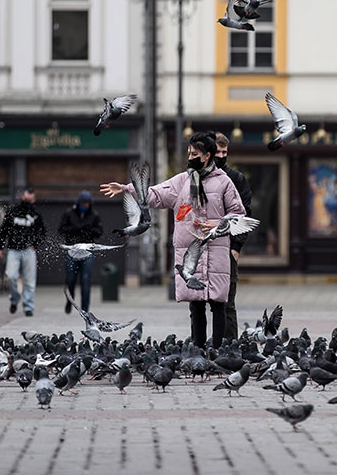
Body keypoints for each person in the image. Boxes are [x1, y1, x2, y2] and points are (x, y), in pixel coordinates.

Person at [101, 132, 245, 348]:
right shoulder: (182, 181)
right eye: (189, 153)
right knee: (196, 305)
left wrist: (217, 224)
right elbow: (155, 194)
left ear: (207, 156)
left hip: (215, 249)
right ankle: (197, 349)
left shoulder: (224, 182)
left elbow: (238, 213)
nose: (190, 157)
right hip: (191, 253)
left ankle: (217, 350)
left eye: (194, 153)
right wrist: (126, 189)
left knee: (218, 304)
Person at [213, 132, 252, 341]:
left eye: (224, 152)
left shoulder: (236, 179)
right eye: (217, 151)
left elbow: (245, 215)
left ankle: (229, 348)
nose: (221, 155)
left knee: (228, 303)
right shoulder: (196, 178)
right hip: (205, 247)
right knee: (198, 304)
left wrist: (236, 247)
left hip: (228, 248)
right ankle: (201, 347)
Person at [0, 187, 46, 317]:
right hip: (13, 249)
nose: (28, 200)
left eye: (30, 198)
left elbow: (42, 233)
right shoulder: (13, 211)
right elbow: (4, 229)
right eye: (26, 197)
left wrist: (35, 244)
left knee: (30, 280)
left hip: (28, 250)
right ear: (23, 196)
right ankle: (14, 299)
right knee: (11, 276)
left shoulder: (35, 214)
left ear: (34, 199)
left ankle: (28, 306)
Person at [58, 190, 103, 314]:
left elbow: (99, 232)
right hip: (72, 251)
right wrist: (75, 229)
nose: (85, 206)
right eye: (83, 204)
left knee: (85, 279)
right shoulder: (68, 214)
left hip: (87, 252)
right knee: (70, 279)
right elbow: (61, 230)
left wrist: (89, 230)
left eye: (87, 204)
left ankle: (85, 309)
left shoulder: (94, 215)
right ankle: (70, 300)